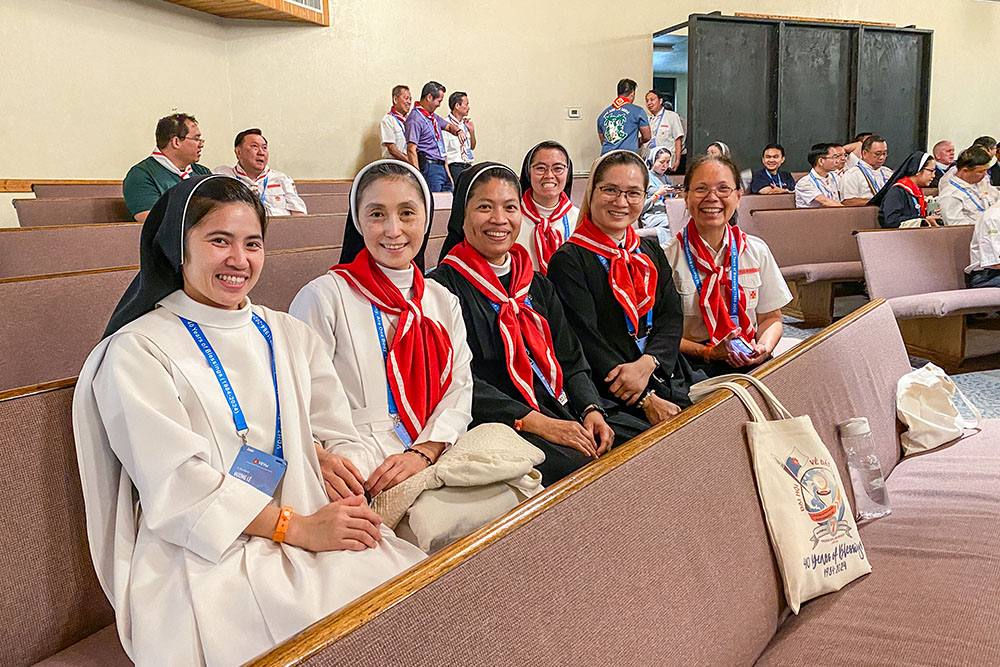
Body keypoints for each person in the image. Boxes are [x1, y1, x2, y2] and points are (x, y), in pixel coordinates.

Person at [73, 175, 425, 667]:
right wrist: (298, 529)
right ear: (179, 247)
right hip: (203, 552)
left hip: (309, 514)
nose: (239, 260)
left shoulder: (287, 332)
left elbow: (341, 430)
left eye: (252, 243)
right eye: (220, 240)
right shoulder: (137, 351)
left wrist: (322, 456)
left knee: (415, 602)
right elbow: (177, 485)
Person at [429, 163, 647, 485]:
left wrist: (590, 409)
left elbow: (571, 357)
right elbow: (459, 382)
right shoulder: (440, 290)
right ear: (463, 214)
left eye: (510, 207)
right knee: (582, 471)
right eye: (484, 207)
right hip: (502, 421)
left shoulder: (535, 283)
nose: (499, 220)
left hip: (561, 406)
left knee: (641, 440)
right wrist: (539, 423)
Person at [290, 160, 473, 497]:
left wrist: (424, 452)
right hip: (357, 462)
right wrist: (322, 459)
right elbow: (295, 399)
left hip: (436, 449)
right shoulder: (323, 296)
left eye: (407, 213)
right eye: (377, 214)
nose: (393, 230)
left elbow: (460, 387)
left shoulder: (442, 300)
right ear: (358, 221)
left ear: (426, 218)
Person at [547, 150, 695, 425]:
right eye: (610, 190)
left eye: (633, 193)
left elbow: (671, 316)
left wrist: (649, 362)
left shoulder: (648, 249)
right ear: (592, 192)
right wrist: (644, 397)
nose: (621, 202)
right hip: (610, 388)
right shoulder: (569, 261)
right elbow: (585, 341)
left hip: (661, 369)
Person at [664, 154, 792, 378]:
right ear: (686, 197)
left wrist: (764, 347)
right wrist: (710, 352)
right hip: (691, 363)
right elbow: (660, 333)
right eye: (701, 189)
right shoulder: (667, 257)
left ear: (739, 197)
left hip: (749, 355)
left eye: (723, 189)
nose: (712, 198)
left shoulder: (756, 250)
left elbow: (771, 318)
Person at [123, 113, 211, 222]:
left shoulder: (202, 172)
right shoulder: (141, 174)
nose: (201, 144)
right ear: (176, 142)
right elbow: (152, 222)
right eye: (196, 139)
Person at [515, 141, 579, 274]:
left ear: (568, 173)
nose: (549, 175)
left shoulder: (580, 220)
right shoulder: (511, 217)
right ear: (528, 172)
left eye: (558, 168)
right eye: (540, 168)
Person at [214, 128, 307, 216]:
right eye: (254, 146)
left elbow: (298, 216)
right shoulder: (224, 177)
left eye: (264, 148)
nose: (261, 152)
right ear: (238, 152)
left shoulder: (281, 179)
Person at [405, 81, 466, 193]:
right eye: (439, 101)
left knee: (447, 202)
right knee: (435, 203)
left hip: (442, 166)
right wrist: (418, 177)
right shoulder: (415, 119)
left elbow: (448, 126)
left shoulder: (432, 117)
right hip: (429, 167)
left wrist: (458, 131)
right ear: (429, 97)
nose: (439, 105)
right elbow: (411, 149)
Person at [868, 151, 941, 228]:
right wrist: (923, 220)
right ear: (918, 171)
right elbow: (891, 221)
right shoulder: (897, 191)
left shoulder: (916, 190)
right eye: (931, 171)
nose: (933, 176)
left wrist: (930, 213)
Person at [939, 147, 998, 226]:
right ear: (965, 171)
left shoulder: (980, 183)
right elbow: (957, 227)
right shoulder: (951, 195)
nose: (985, 175)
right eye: (980, 171)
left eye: (986, 170)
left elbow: (996, 197)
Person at [597, 78, 651, 155]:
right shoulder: (638, 111)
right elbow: (647, 136)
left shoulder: (602, 115)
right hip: (627, 158)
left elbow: (603, 141)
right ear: (632, 94)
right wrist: (639, 141)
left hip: (607, 158)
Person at [840, 135, 894, 206]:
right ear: (864, 153)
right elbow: (847, 202)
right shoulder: (852, 174)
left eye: (884, 154)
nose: (882, 157)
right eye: (877, 154)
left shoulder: (888, 172)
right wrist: (876, 201)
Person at [640, 145, 676, 245]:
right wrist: (657, 195)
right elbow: (639, 208)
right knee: (671, 223)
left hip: (667, 213)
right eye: (661, 162)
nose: (665, 165)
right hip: (652, 215)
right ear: (653, 161)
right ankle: (666, 249)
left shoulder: (668, 179)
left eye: (668, 162)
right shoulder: (644, 179)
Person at [644, 90, 683, 170]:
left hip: (666, 164)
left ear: (660, 101)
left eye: (652, 100)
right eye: (647, 101)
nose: (649, 103)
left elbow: (678, 139)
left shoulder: (672, 116)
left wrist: (678, 160)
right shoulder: (647, 120)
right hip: (651, 164)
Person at [795, 143, 844, 208]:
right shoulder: (805, 182)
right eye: (835, 157)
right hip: (812, 217)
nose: (837, 161)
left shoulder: (834, 177)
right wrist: (848, 211)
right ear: (821, 161)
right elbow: (824, 201)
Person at [443, 91, 476, 185]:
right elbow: (443, 154)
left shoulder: (465, 124)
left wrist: (472, 131)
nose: (468, 108)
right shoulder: (446, 125)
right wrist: (449, 177)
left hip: (468, 166)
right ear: (457, 106)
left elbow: (472, 147)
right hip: (455, 167)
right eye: (466, 104)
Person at [380, 85, 412, 161]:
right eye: (406, 98)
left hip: (410, 167)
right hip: (394, 165)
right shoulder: (388, 120)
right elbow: (392, 149)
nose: (409, 102)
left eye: (410, 99)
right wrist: (411, 162)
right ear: (395, 99)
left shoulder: (410, 120)